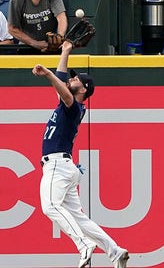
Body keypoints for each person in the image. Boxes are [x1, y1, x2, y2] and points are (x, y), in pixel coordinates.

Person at [32, 41, 130, 268]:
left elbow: (60, 85)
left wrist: (46, 73)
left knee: (49, 207)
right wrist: (65, 51)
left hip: (57, 165)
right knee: (79, 218)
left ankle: (83, 245)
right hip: (65, 167)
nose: (71, 80)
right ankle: (115, 250)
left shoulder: (73, 105)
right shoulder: (68, 104)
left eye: (76, 80)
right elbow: (61, 77)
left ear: (83, 90)